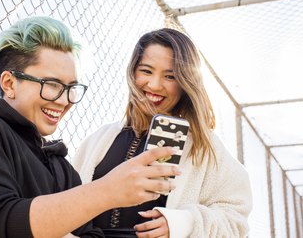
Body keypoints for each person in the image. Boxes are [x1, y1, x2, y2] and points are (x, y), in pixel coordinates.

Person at [0, 17, 181, 238]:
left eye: (71, 88)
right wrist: (107, 191)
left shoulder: (60, 165)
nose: (63, 100)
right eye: (51, 84)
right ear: (9, 83)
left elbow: (91, 233)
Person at [73, 28, 253, 238]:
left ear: (186, 82)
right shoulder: (99, 139)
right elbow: (67, 203)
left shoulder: (205, 146)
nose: (155, 85)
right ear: (132, 72)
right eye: (147, 71)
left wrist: (183, 224)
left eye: (170, 76)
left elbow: (236, 222)